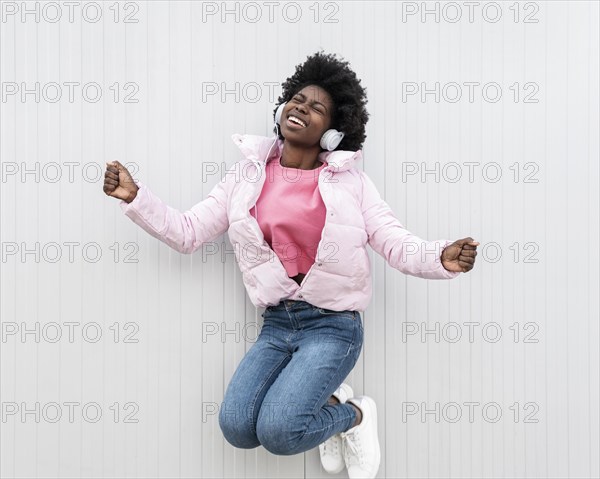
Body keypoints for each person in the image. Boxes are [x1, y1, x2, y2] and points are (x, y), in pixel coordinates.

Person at [103, 51, 479, 479]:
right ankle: (332, 402)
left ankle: (354, 415)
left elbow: (392, 240)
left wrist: (439, 257)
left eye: (317, 107)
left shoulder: (351, 185)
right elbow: (188, 232)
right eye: (297, 100)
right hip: (278, 324)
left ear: (335, 132)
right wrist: (136, 198)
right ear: (282, 108)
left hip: (334, 327)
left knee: (280, 433)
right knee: (238, 429)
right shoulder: (245, 178)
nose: (302, 108)